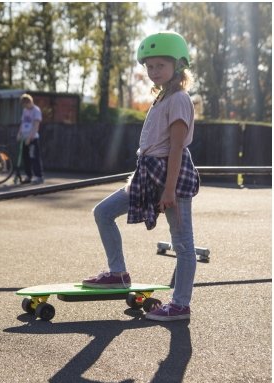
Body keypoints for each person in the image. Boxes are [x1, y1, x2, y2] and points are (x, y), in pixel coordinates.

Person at [82, 31, 200, 322]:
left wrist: (169, 190)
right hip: (147, 173)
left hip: (170, 176)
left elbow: (175, 148)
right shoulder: (163, 97)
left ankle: (180, 305)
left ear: (178, 65)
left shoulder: (179, 99)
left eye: (160, 65)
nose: (153, 71)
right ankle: (118, 273)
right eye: (149, 66)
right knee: (103, 212)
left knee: (183, 242)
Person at [15, 94, 44, 184]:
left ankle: (39, 176)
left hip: (32, 138)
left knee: (34, 157)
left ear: (29, 102)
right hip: (24, 137)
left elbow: (36, 125)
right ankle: (28, 176)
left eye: (25, 104)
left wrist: (30, 137)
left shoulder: (36, 110)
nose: (24, 106)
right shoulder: (25, 110)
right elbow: (22, 123)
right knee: (25, 157)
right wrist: (19, 133)